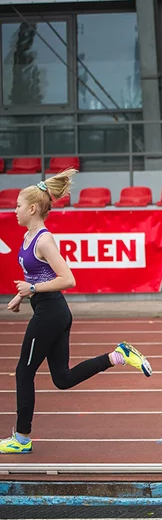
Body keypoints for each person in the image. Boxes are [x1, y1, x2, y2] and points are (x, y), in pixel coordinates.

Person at [1, 169, 151, 455]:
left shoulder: (44, 240)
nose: (15, 209)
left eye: (18, 205)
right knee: (62, 379)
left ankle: (21, 439)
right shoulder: (27, 236)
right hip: (51, 311)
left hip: (51, 313)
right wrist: (22, 296)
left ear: (32, 208)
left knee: (23, 372)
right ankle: (117, 355)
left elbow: (68, 279)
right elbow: (38, 276)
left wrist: (32, 291)